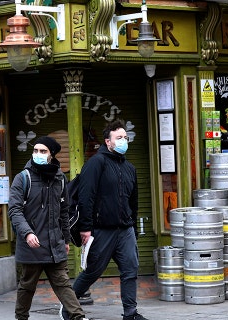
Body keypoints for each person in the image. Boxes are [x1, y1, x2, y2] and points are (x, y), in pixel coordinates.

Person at [72, 120, 148, 320]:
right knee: (92, 272)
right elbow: (85, 196)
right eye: (119, 138)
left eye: (125, 137)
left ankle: (130, 313)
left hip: (125, 230)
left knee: (130, 270)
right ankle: (68, 306)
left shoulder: (130, 168)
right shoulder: (96, 163)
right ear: (108, 142)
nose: (123, 141)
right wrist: (85, 228)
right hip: (102, 229)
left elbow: (134, 200)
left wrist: (133, 227)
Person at [8, 136, 88, 320]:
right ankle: (21, 317)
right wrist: (27, 233)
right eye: (35, 150)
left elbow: (64, 211)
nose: (38, 154)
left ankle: (78, 317)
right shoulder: (23, 178)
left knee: (63, 284)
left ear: (52, 154)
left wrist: (66, 239)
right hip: (32, 245)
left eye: (43, 151)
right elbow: (14, 210)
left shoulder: (59, 179)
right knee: (27, 286)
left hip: (55, 243)